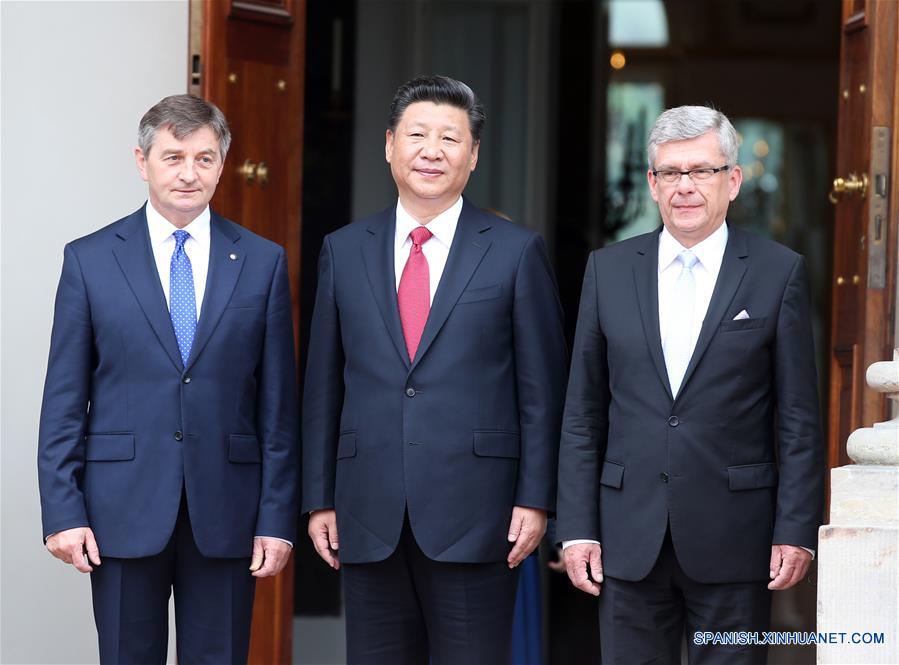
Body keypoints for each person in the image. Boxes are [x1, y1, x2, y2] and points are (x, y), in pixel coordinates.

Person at [302, 75, 567, 664]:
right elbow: (323, 384)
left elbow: (541, 391)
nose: (432, 150)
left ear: (472, 156)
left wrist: (536, 496)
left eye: (450, 138)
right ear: (390, 144)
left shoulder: (514, 251)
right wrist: (320, 497)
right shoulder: (343, 250)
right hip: (367, 514)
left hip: (481, 515)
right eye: (417, 134)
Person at [556, 105, 824, 664]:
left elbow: (798, 417)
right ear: (651, 184)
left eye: (701, 171)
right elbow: (583, 412)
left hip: (737, 538)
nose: (686, 187)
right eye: (671, 173)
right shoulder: (607, 271)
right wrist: (576, 526)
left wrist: (796, 528)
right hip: (627, 538)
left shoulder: (779, 272)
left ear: (733, 179)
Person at [37, 94, 299, 664]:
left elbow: (277, 407)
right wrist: (63, 511)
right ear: (142, 160)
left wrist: (277, 519)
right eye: (173, 156)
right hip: (119, 509)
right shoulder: (90, 259)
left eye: (205, 158)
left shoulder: (261, 261)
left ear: (222, 165)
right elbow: (63, 399)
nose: (188, 173)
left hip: (228, 510)